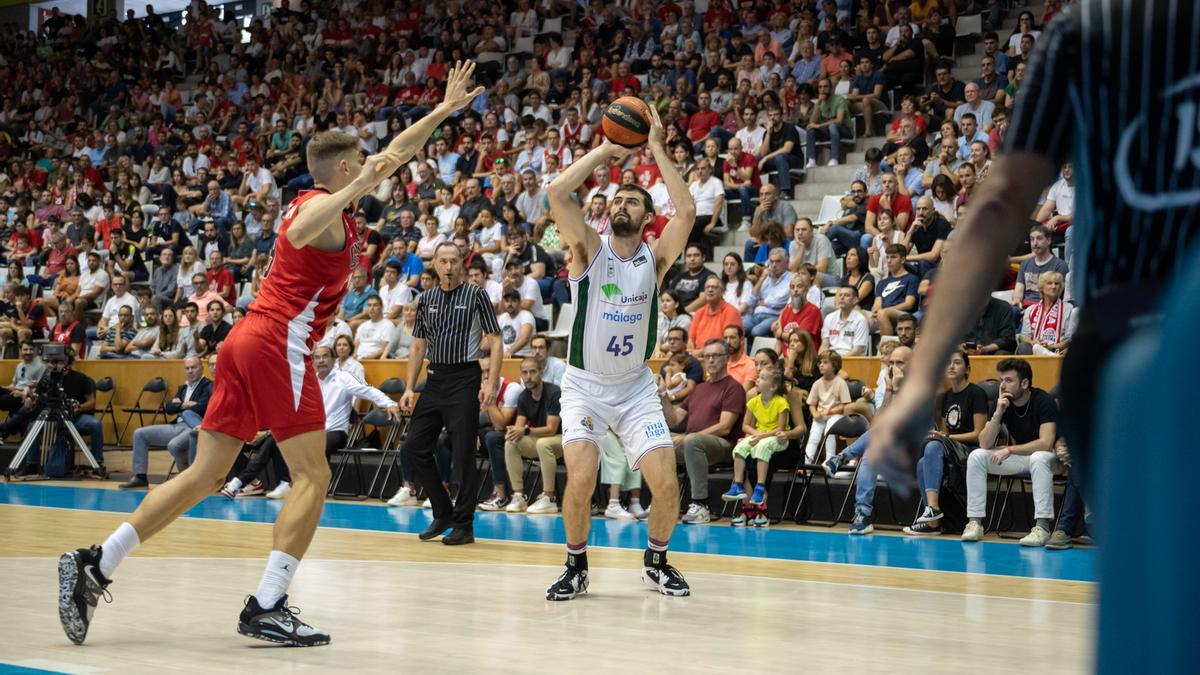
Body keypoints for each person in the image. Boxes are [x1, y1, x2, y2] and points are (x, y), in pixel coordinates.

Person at [58, 62, 484, 648]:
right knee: (313, 474)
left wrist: (443, 111)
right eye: (359, 165)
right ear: (341, 170)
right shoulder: (316, 209)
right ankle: (268, 603)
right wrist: (361, 184)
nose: (370, 169)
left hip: (244, 339)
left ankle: (97, 561)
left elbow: (397, 152)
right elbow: (302, 232)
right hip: (278, 341)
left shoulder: (333, 198)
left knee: (207, 474)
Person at [543, 102, 696, 600]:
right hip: (584, 387)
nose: (622, 206)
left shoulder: (657, 258)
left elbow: (688, 211)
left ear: (648, 216)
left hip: (634, 387)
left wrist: (655, 146)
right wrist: (605, 150)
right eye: (617, 201)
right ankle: (576, 566)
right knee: (582, 479)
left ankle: (655, 561)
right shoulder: (587, 248)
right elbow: (556, 192)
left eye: (633, 201)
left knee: (666, 483)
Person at [399, 241, 502, 546]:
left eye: (454, 261)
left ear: (462, 264)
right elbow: (418, 345)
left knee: (462, 455)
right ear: (436, 265)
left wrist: (491, 383)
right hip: (434, 380)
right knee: (414, 446)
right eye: (442, 261)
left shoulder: (476, 294)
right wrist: (408, 387)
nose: (448, 266)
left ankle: (464, 524)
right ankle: (442, 510)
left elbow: (495, 340)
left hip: (464, 379)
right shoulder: (427, 298)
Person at [223, 345, 401, 500]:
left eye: (325, 356)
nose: (321, 360)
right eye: (317, 357)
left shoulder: (344, 377)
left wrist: (390, 403)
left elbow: (367, 390)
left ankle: (299, 484)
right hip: (311, 432)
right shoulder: (308, 380)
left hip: (335, 432)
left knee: (314, 445)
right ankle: (245, 482)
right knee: (274, 440)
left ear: (333, 359)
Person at [961, 359, 1059, 546]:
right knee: (976, 456)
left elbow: (1046, 443)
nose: (1003, 385)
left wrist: (1010, 449)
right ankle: (974, 522)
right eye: (1001, 380)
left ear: (1024, 383)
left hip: (1051, 458)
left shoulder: (1043, 400)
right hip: (1023, 457)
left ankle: (1042, 527)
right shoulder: (1002, 403)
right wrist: (998, 413)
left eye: (1008, 380)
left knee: (1038, 457)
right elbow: (984, 442)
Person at [903, 349, 988, 535]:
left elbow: (979, 434)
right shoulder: (947, 396)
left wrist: (945, 438)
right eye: (948, 362)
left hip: (971, 450)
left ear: (967, 369)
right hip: (952, 449)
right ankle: (934, 522)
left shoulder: (976, 393)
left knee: (934, 445)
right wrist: (941, 436)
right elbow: (946, 432)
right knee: (922, 462)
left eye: (957, 362)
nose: (951, 366)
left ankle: (933, 508)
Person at [118, 357, 211, 489]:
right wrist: (185, 405)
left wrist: (180, 405)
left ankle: (188, 479)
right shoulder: (183, 388)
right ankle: (140, 477)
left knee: (174, 445)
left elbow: (202, 406)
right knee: (140, 434)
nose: (190, 371)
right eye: (187, 368)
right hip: (177, 425)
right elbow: (169, 408)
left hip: (193, 426)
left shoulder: (208, 385)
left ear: (202, 368)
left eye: (194, 367)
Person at [721, 366, 792, 512]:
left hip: (778, 439)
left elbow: (781, 429)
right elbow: (745, 426)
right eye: (758, 377)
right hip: (759, 435)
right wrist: (755, 434)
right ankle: (737, 485)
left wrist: (760, 436)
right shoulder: (753, 401)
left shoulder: (781, 403)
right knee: (740, 447)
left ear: (772, 386)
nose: (757, 380)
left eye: (762, 378)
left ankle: (760, 487)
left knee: (762, 447)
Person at [503, 358, 563, 514]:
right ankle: (519, 496)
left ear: (541, 373)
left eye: (532, 372)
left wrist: (525, 431)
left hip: (563, 440)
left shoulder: (554, 392)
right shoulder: (524, 397)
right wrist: (512, 431)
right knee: (511, 442)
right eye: (524, 372)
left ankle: (549, 498)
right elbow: (519, 426)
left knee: (543, 443)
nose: (528, 376)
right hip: (540, 440)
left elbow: (552, 428)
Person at [803, 350, 850, 463]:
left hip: (836, 415)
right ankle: (807, 463)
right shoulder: (817, 383)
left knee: (829, 432)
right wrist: (815, 414)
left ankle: (829, 462)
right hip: (820, 416)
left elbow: (845, 405)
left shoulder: (840, 382)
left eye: (825, 362)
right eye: (820, 362)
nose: (821, 365)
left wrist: (829, 412)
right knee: (814, 436)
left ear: (834, 366)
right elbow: (812, 404)